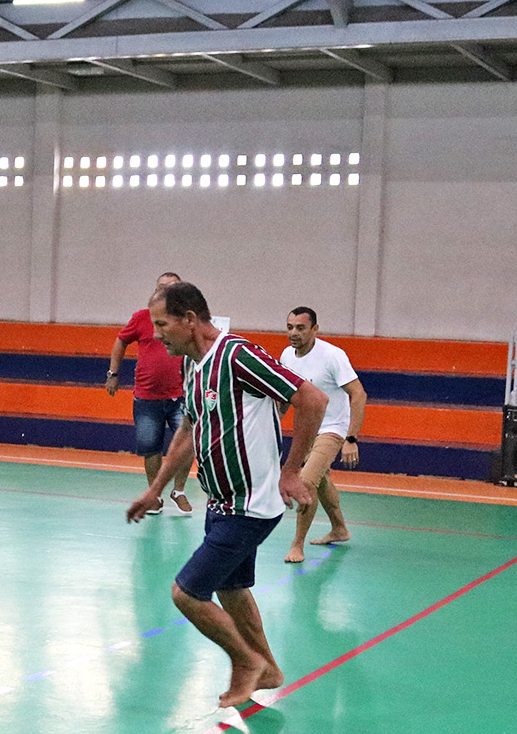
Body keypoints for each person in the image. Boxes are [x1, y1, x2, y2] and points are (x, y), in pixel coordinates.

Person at [126, 282, 328, 710]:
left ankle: (246, 662)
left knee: (187, 593)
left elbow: (312, 399)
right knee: (231, 589)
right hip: (220, 501)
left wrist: (292, 471)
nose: (156, 335)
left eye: (162, 324)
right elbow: (188, 429)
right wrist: (155, 490)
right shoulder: (192, 365)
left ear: (189, 320)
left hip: (249, 505)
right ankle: (268, 669)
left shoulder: (237, 355)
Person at [278, 307, 368, 563]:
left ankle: (297, 545)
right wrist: (272, 423)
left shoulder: (332, 356)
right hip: (306, 428)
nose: (294, 333)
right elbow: (285, 396)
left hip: (333, 428)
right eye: (290, 327)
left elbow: (359, 394)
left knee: (306, 481)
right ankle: (339, 529)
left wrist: (351, 438)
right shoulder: (286, 355)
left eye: (300, 328)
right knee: (322, 480)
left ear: (315, 329)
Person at [106, 272, 193, 516]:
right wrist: (113, 373)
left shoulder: (187, 320)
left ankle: (179, 490)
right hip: (146, 398)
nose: (165, 291)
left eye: (171, 287)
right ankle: (154, 495)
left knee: (189, 442)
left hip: (180, 396)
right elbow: (121, 341)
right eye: (161, 287)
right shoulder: (141, 318)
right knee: (150, 447)